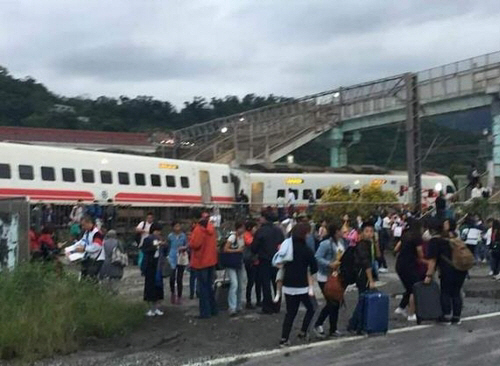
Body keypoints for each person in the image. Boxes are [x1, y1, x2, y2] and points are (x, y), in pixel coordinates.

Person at [279, 223, 318, 347]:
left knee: (290, 312)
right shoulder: (306, 250)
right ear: (305, 234)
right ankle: (303, 331)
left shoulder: (287, 248)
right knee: (311, 307)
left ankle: (284, 338)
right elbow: (314, 267)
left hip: (288, 284)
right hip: (302, 285)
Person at [425, 219, 467, 325]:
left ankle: (446, 316)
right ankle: (456, 317)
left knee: (445, 292)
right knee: (456, 292)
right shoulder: (455, 237)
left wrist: (429, 275)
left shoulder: (435, 241)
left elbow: (432, 260)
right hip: (461, 268)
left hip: (447, 269)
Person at [314, 223, 345, 338]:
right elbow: (317, 257)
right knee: (332, 303)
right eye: (342, 230)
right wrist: (329, 264)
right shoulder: (326, 244)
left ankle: (333, 328)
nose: (344, 232)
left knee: (336, 303)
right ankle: (318, 323)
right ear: (336, 231)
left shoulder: (341, 243)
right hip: (324, 277)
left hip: (336, 276)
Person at [252, 212, 285, 314]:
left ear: (264, 218)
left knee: (265, 284)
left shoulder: (260, 231)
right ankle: (277, 305)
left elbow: (254, 247)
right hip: (277, 260)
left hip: (264, 260)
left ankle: (267, 307)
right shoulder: (278, 231)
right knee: (277, 283)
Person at [347, 221, 377, 335]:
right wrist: (371, 280)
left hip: (365, 274)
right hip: (362, 275)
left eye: (371, 231)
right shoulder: (362, 245)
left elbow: (377, 256)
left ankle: (354, 324)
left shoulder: (370, 244)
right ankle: (356, 326)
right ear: (362, 233)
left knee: (363, 300)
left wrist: (376, 242)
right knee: (363, 300)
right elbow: (366, 264)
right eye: (367, 231)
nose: (370, 234)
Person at [394, 219, 426, 322]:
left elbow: (396, 248)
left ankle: (401, 308)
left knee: (409, 287)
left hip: (399, 264)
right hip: (409, 265)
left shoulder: (405, 235)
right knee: (414, 288)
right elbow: (420, 254)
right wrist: (427, 261)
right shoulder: (417, 238)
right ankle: (411, 314)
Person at [189, 211, 218, 319]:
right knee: (210, 287)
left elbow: (195, 244)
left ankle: (205, 312)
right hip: (211, 260)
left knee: (203, 288)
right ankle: (213, 309)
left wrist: (190, 239)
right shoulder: (211, 228)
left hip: (201, 262)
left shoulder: (198, 230)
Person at [142, 222, 166, 317]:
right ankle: (150, 308)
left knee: (158, 288)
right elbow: (145, 250)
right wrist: (155, 246)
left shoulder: (160, 239)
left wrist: (163, 245)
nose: (158, 233)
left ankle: (156, 308)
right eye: (157, 231)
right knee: (149, 288)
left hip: (158, 266)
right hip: (150, 266)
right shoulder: (148, 239)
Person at [74, 216, 106, 281]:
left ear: (89, 223)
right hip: (89, 258)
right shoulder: (87, 232)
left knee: (92, 278)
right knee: (84, 277)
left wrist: (84, 248)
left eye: (83, 225)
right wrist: (74, 247)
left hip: (97, 259)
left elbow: (96, 247)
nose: (82, 227)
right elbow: (83, 241)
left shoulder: (97, 233)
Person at [224, 222, 246, 316]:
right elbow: (226, 249)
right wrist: (237, 250)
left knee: (240, 285)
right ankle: (232, 307)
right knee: (234, 284)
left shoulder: (242, 237)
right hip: (232, 262)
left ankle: (238, 305)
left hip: (239, 262)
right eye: (242, 228)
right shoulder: (232, 237)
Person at [167, 221, 188, 305]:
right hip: (172, 256)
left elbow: (187, 245)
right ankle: (172, 293)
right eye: (176, 226)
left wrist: (184, 248)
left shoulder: (183, 236)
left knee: (179, 278)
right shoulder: (170, 236)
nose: (177, 228)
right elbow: (168, 246)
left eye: (179, 226)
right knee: (172, 277)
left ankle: (179, 296)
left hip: (180, 257)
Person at [99, 230, 124, 294]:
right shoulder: (118, 242)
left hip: (105, 264)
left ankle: (106, 296)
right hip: (116, 263)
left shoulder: (103, 243)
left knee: (105, 282)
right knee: (115, 282)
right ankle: (114, 296)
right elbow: (122, 253)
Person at [244, 221, 261, 309]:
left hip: (257, 261)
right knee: (251, 281)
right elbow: (251, 243)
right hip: (250, 261)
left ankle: (259, 300)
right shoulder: (247, 235)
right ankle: (248, 301)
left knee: (258, 281)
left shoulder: (254, 236)